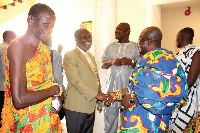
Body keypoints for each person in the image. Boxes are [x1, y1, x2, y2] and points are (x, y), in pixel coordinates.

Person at [106, 26, 189, 133]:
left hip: (147, 123)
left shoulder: (158, 61)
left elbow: (159, 93)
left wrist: (131, 97)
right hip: (148, 120)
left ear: (149, 42)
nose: (138, 43)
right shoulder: (158, 59)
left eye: (140, 39)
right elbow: (137, 85)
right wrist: (116, 94)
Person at [0, 3, 62, 132]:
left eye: (52, 26)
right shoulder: (18, 47)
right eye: (46, 24)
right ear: (30, 20)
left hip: (48, 117)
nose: (50, 30)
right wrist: (53, 91)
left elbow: (46, 82)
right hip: (26, 122)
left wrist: (56, 97)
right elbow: (19, 100)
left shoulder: (43, 49)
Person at [63, 29, 109, 133]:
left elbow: (95, 79)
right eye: (84, 37)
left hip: (90, 106)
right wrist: (96, 95)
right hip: (76, 107)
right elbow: (75, 80)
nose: (88, 40)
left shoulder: (90, 57)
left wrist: (99, 100)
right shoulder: (70, 55)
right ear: (76, 39)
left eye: (89, 37)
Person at [101, 22, 140, 133]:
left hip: (127, 91)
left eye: (120, 30)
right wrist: (111, 61)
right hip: (112, 90)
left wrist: (131, 62)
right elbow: (103, 64)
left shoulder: (135, 47)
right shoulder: (111, 46)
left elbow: (142, 66)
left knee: (128, 120)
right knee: (109, 119)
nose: (116, 31)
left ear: (127, 32)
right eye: (116, 29)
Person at [169, 27, 200, 132]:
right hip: (176, 98)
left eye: (177, 38)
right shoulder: (178, 55)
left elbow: (190, 81)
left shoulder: (196, 51)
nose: (176, 40)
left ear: (181, 38)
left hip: (189, 100)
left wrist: (178, 93)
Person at [44, 36, 65, 120]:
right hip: (51, 93)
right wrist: (61, 93)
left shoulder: (31, 53)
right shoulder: (55, 55)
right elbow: (57, 77)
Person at [0, 30, 17, 128]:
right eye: (14, 38)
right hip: (3, 87)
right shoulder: (6, 48)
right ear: (8, 37)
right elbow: (5, 69)